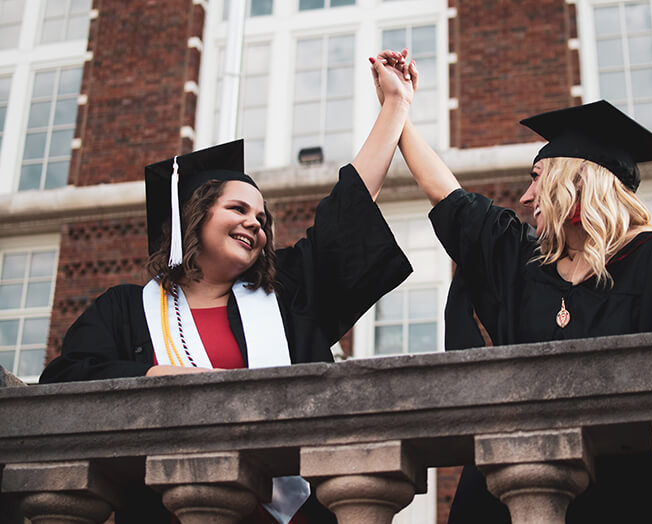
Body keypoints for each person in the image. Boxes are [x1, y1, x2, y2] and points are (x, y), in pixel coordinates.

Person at [371, 50, 652, 524]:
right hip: (511, 499)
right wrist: (399, 106)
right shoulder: (521, 260)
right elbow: (445, 194)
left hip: (626, 505)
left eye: (537, 179)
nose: (526, 196)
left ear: (575, 186)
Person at [39, 55, 415, 524]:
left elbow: (347, 212)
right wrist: (156, 378)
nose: (254, 224)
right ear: (194, 218)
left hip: (293, 513)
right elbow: (64, 383)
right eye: (238, 209)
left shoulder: (285, 298)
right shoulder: (127, 310)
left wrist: (395, 106)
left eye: (262, 218)